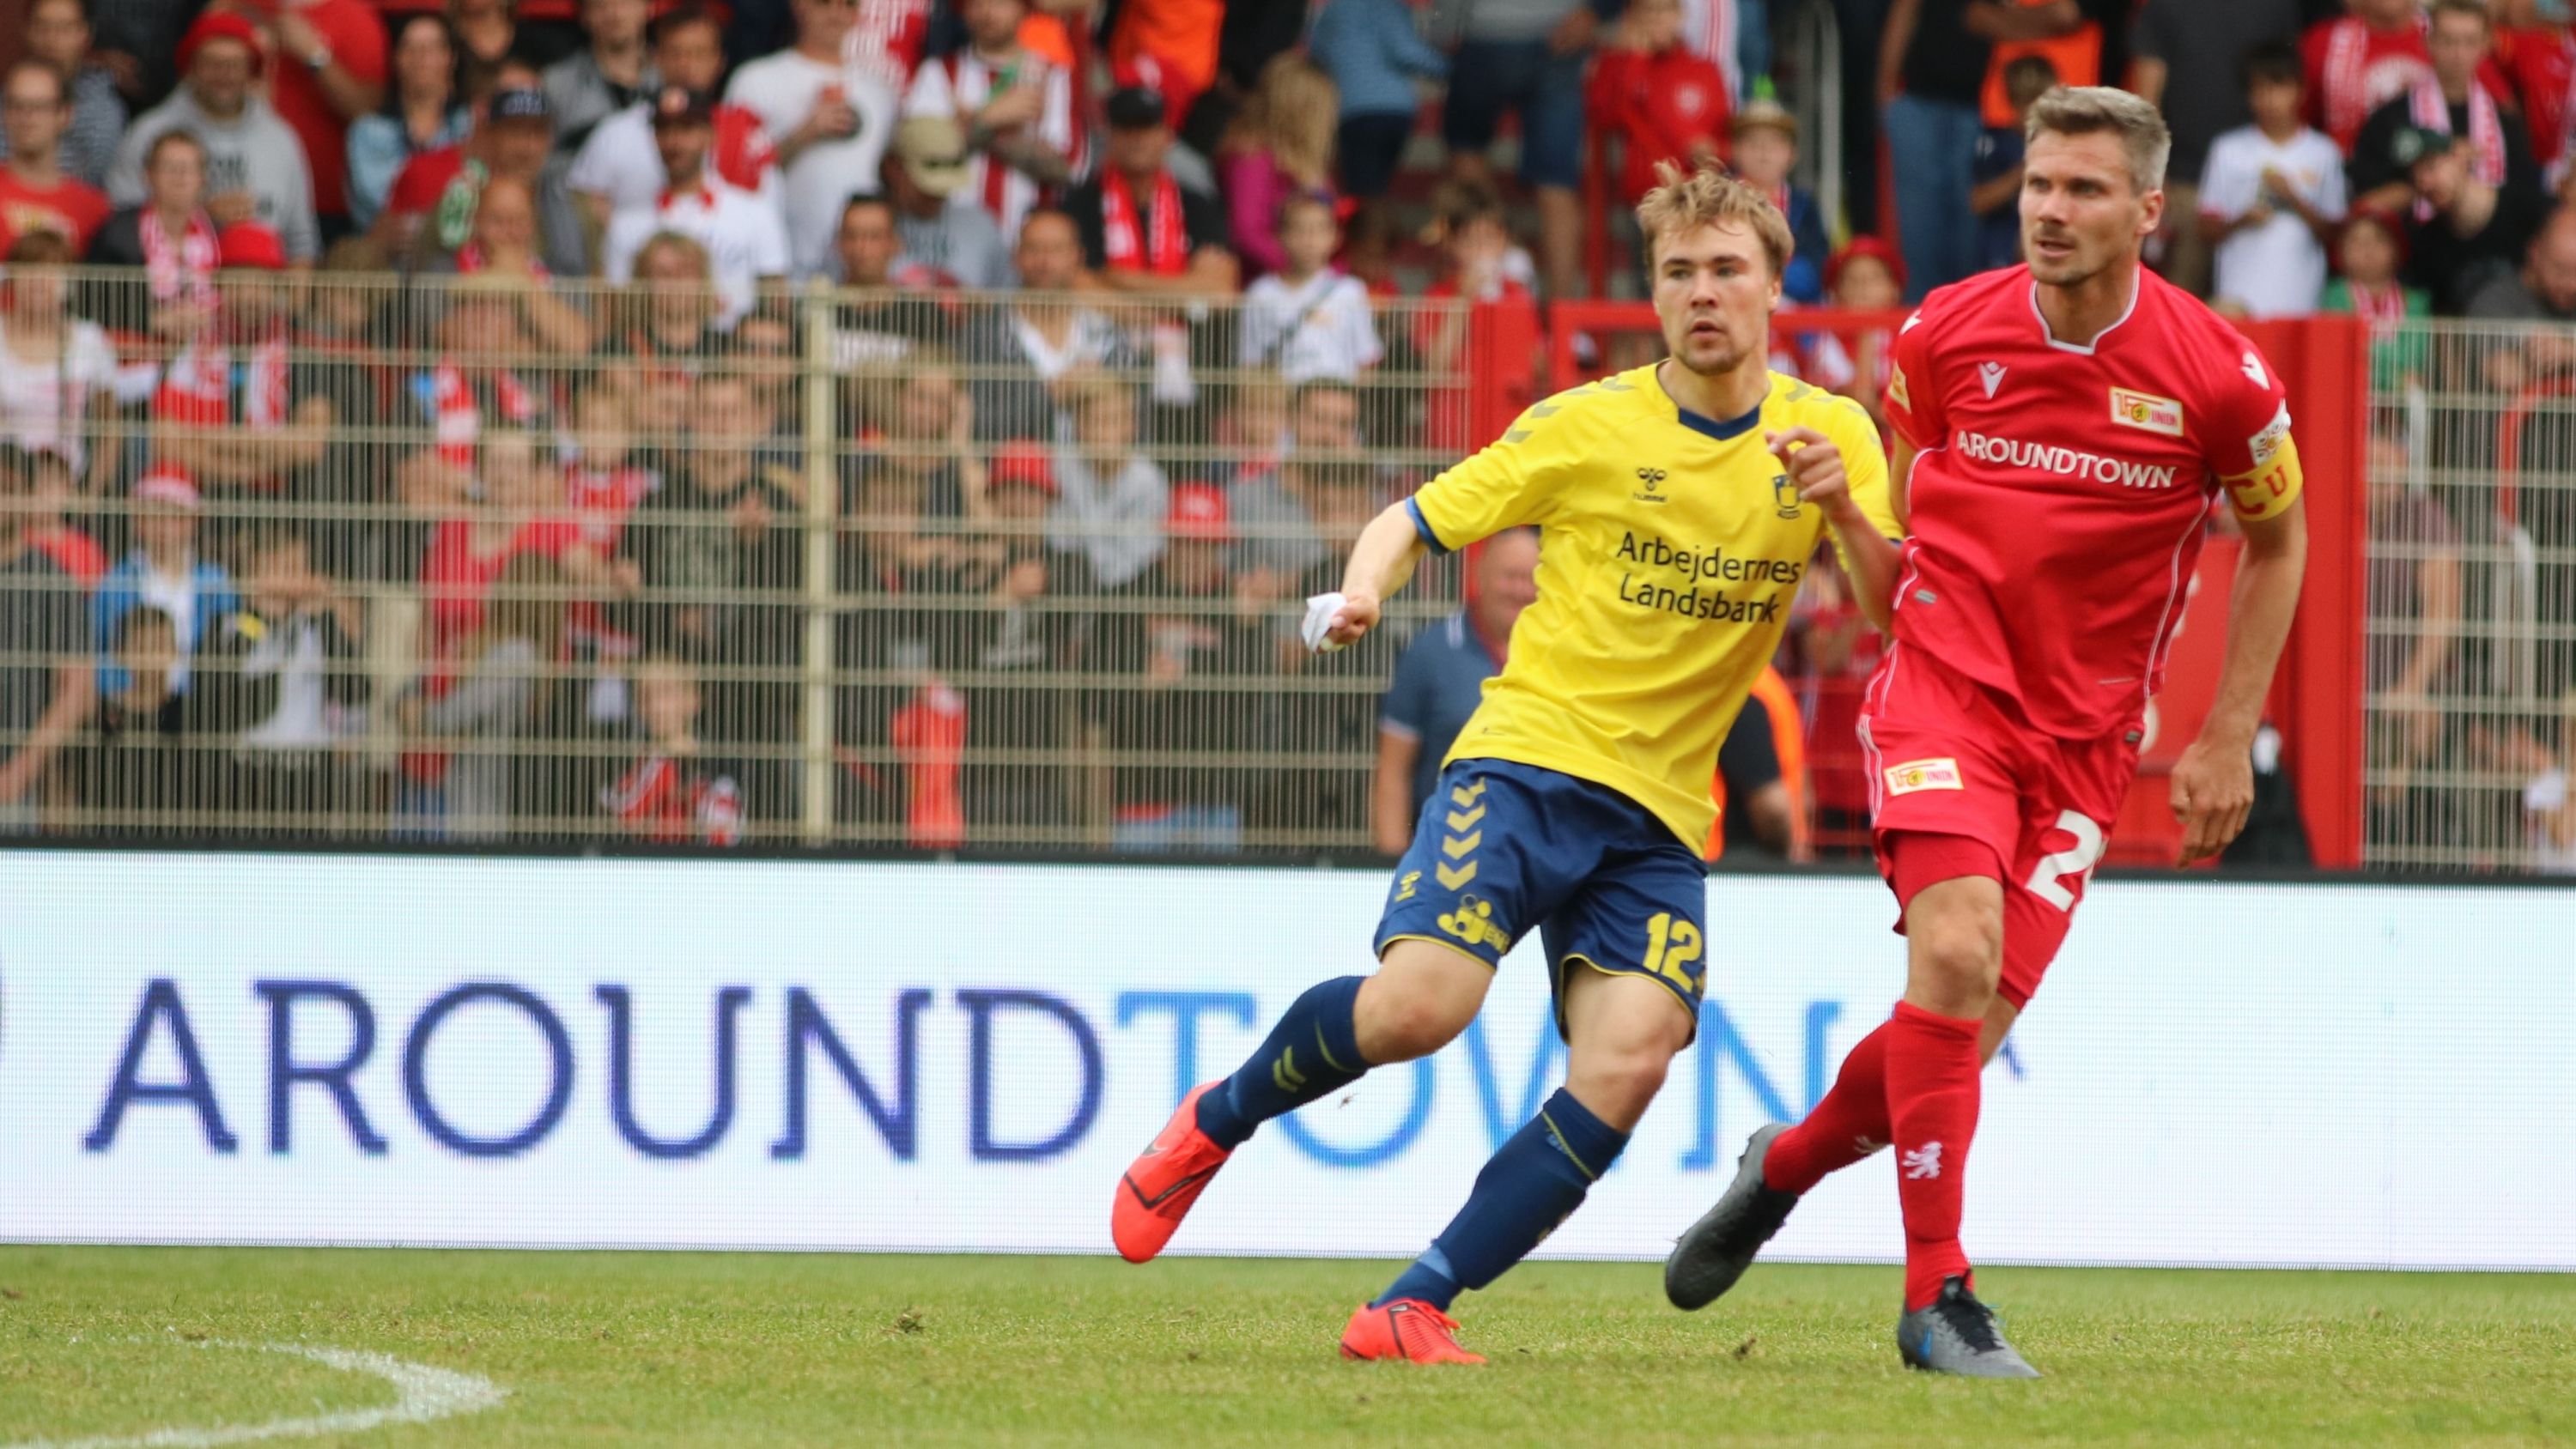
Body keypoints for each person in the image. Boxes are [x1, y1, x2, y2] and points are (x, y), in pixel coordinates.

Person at [1109, 160, 1901, 1362]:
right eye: (1678, 271)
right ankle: (1215, 1121)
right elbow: (1416, 518)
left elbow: (1899, 616)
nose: (1702, 292)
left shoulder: (1832, 434)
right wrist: (1366, 589)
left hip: (1660, 820)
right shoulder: (1588, 424)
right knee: (1422, 1010)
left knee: (1630, 1061)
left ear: (1772, 287)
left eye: (1727, 269)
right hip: (1528, 764)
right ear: (1654, 290)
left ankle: (1410, 1303)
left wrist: (1846, 514)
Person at [1665, 87, 2311, 1377]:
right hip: (1944, 688)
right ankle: (1936, 1301)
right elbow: (1901, 549)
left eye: (2082, 190)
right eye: (2037, 185)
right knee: (1952, 955)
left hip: (2084, 746)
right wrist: (1852, 529)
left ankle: (1780, 1164)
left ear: (2148, 210)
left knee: (1952, 1035)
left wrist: (2226, 731)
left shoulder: (2221, 380)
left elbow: (2279, 540)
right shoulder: (1941, 337)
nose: (2051, 211)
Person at [2348, 0, 2543, 312]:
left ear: (2485, 45)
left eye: (2469, 42)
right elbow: (2364, 204)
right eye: (2449, 40)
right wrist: (2431, 180)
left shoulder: (2506, 124)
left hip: (2490, 273)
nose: (2458, 53)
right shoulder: (2391, 118)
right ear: (2429, 42)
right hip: (2412, 278)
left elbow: (2527, 204)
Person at [1370, 525, 1538, 854]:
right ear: (1480, 576)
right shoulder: (1431, 653)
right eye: (1510, 576)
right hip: (1445, 858)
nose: (1520, 590)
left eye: (1531, 578)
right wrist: (1392, 864)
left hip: (1540, 862)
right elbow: (1392, 772)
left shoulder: (1565, 657)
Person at [107, 11, 322, 265]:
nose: (225, 74)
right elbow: (119, 221)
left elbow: (302, 241)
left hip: (262, 298)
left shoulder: (281, 139)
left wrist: (296, 304)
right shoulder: (149, 132)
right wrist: (198, 216)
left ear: (251, 70)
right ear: (192, 67)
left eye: (235, 65)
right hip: (171, 292)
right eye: (213, 63)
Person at [1433, 0, 1607, 305]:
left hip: (1498, 33)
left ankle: (1486, 296)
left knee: (1473, 162)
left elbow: (1443, 30)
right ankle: (1556, 322)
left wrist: (1442, 30)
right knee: (1556, 180)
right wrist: (1597, 12)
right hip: (1550, 32)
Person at [2127, 0, 2302, 296]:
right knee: (2180, 301)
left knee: (2255, 303)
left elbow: (2286, 73)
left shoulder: (2278, 6)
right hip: (2185, 181)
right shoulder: (2163, 7)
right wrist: (2156, 174)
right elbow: (2148, 98)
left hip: (2259, 179)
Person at [567, 4, 782, 241]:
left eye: (699, 53)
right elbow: (585, 205)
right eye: (676, 53)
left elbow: (768, 211)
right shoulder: (616, 132)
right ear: (657, 58)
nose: (686, 64)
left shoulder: (746, 132)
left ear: (719, 62)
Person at [726, 0, 901, 280]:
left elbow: (892, 180)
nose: (836, 13)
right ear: (799, 5)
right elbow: (731, 177)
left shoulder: (880, 93)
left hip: (857, 271)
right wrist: (805, 133)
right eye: (823, 3)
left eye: (848, 4)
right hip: (780, 263)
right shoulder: (755, 80)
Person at [600, 85, 792, 327]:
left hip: (734, 357)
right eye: (664, 129)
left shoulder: (755, 213)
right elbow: (616, 314)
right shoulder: (626, 223)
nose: (674, 141)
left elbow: (776, 301)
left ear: (710, 135)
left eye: (686, 128)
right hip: (654, 358)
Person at [900, 0, 1076, 246]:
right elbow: (919, 156)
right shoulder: (938, 72)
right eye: (976, 3)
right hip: (950, 238)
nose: (987, 12)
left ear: (1024, 9)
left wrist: (971, 126)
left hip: (1027, 245)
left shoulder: (1053, 75)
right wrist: (989, 118)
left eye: (1001, 3)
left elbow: (1063, 167)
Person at [2200, 41, 2346, 318]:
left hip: (2301, 297)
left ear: (2300, 91)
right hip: (2237, 298)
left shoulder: (2323, 152)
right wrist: (2243, 220)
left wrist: (2294, 199)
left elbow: (2336, 234)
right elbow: (2205, 228)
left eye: (2279, 87)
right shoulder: (2227, 149)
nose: (2269, 99)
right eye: (2259, 88)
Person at [0, 445, 96, 830]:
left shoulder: (50, 580)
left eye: (9, 489)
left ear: (28, 498)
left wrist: (19, 771)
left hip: (12, 785)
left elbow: (78, 691)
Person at [1064, 86, 1237, 298]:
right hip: (1102, 330)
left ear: (1168, 136)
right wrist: (1184, 292)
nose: (1137, 138)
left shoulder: (1198, 205)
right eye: (1126, 128)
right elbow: (1073, 283)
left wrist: (1119, 281)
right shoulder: (1078, 204)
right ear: (1109, 136)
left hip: (1180, 331)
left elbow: (1219, 291)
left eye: (1147, 127)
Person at [94, 469, 240, 704]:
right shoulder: (115, 583)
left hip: (198, 706)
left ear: (194, 520)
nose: (164, 527)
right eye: (155, 514)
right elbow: (100, 652)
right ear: (138, 520)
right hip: (134, 705)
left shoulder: (217, 581)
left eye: (176, 515)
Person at [1876, 0, 1991, 300]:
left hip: (1980, 108)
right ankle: (1920, 318)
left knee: (1968, 225)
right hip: (1919, 100)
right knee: (1917, 225)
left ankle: (1965, 316)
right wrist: (1887, 86)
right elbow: (1905, 11)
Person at [248, 0, 391, 235]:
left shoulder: (353, 16)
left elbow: (368, 114)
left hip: (328, 202)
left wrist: (315, 55)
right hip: (254, 199)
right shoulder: (246, 8)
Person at [0, 234, 121, 494]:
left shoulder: (90, 341)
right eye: (30, 268)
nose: (39, 281)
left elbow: (111, 426)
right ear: (11, 277)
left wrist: (90, 494)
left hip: (63, 488)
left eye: (52, 270)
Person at [1587, 0, 1731, 210]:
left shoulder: (1705, 69)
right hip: (1645, 198)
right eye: (1647, 10)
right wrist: (1636, 59)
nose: (1656, 18)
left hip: (1697, 195)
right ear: (1630, 18)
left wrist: (1711, 151)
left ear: (1679, 16)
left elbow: (1725, 135)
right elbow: (1607, 117)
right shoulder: (1615, 65)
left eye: (1664, 9)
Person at [1308, 0, 1449, 203]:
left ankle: (1364, 227)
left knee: (1360, 186)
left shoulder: (1332, 12)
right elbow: (1407, 51)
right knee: (1377, 186)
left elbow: (1316, 54)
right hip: (1396, 109)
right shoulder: (1390, 7)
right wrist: (1453, 68)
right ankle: (1372, 227)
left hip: (1351, 110)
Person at [346, 14, 473, 233]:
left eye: (432, 48)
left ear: (451, 58)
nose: (421, 56)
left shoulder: (470, 124)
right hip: (386, 252)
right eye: (410, 47)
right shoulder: (368, 131)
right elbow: (378, 203)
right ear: (396, 58)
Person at [1219, 54, 1341, 279]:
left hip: (1310, 287)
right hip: (1265, 291)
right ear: (1301, 112)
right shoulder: (1252, 160)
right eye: (1322, 109)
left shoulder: (1310, 164)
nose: (1330, 118)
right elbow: (1247, 234)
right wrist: (1302, 270)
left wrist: (1333, 278)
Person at [1238, 197, 1382, 385]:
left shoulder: (1351, 291)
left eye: (1319, 230)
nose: (1309, 240)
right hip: (1278, 398)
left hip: (1334, 400)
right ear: (1280, 236)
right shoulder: (1260, 293)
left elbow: (1366, 359)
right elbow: (1250, 362)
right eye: (1299, 230)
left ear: (1336, 237)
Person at [3, 0, 130, 190]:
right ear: (28, 31)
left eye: (64, 28)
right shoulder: (6, 98)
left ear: (85, 34)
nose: (51, 39)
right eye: (43, 26)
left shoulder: (104, 111)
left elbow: (92, 182)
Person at [878, 114, 1014, 289]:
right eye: (926, 186)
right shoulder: (863, 224)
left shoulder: (980, 226)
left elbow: (1002, 303)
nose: (937, 194)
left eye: (945, 185)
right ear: (893, 168)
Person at [0, 60, 113, 255]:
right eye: (17, 105)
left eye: (39, 106)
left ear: (66, 114)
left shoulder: (95, 209)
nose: (27, 117)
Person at [1727, 99, 1827, 303]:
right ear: (1735, 150)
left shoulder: (1802, 205)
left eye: (1774, 143)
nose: (1763, 152)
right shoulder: (1719, 199)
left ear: (1792, 154)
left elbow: (1814, 271)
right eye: (1753, 143)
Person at [2321, 207, 2430, 395]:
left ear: (2396, 248)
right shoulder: (2332, 297)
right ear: (2340, 252)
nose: (2368, 249)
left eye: (2378, 239)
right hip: (2349, 394)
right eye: (2357, 242)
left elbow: (2417, 360)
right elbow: (2340, 355)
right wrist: (2395, 373)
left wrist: (2368, 355)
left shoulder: (2417, 302)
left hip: (2404, 404)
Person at [1971, 54, 2054, 271]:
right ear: (2011, 101)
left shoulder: (2063, 146)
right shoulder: (1993, 141)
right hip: (1998, 250)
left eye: (2043, 101)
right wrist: (2027, 168)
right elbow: (1977, 202)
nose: (2034, 113)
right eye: (2024, 102)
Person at [545, 0, 659, 154]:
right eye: (601, 5)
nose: (615, 15)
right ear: (584, 15)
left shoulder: (672, 77)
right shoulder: (556, 85)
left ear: (648, 7)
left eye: (625, 3)